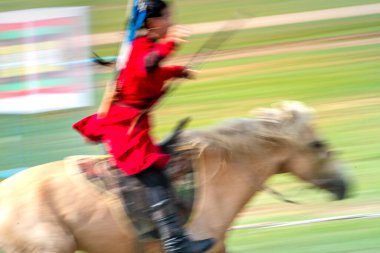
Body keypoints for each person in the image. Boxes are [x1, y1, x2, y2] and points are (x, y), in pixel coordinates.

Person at [73, 0, 214, 252]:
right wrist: (171, 43)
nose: (169, 23)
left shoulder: (140, 47)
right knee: (155, 178)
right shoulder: (140, 47)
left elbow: (148, 75)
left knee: (159, 172)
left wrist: (178, 72)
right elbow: (146, 67)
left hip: (131, 125)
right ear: (151, 22)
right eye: (166, 18)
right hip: (124, 129)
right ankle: (175, 242)